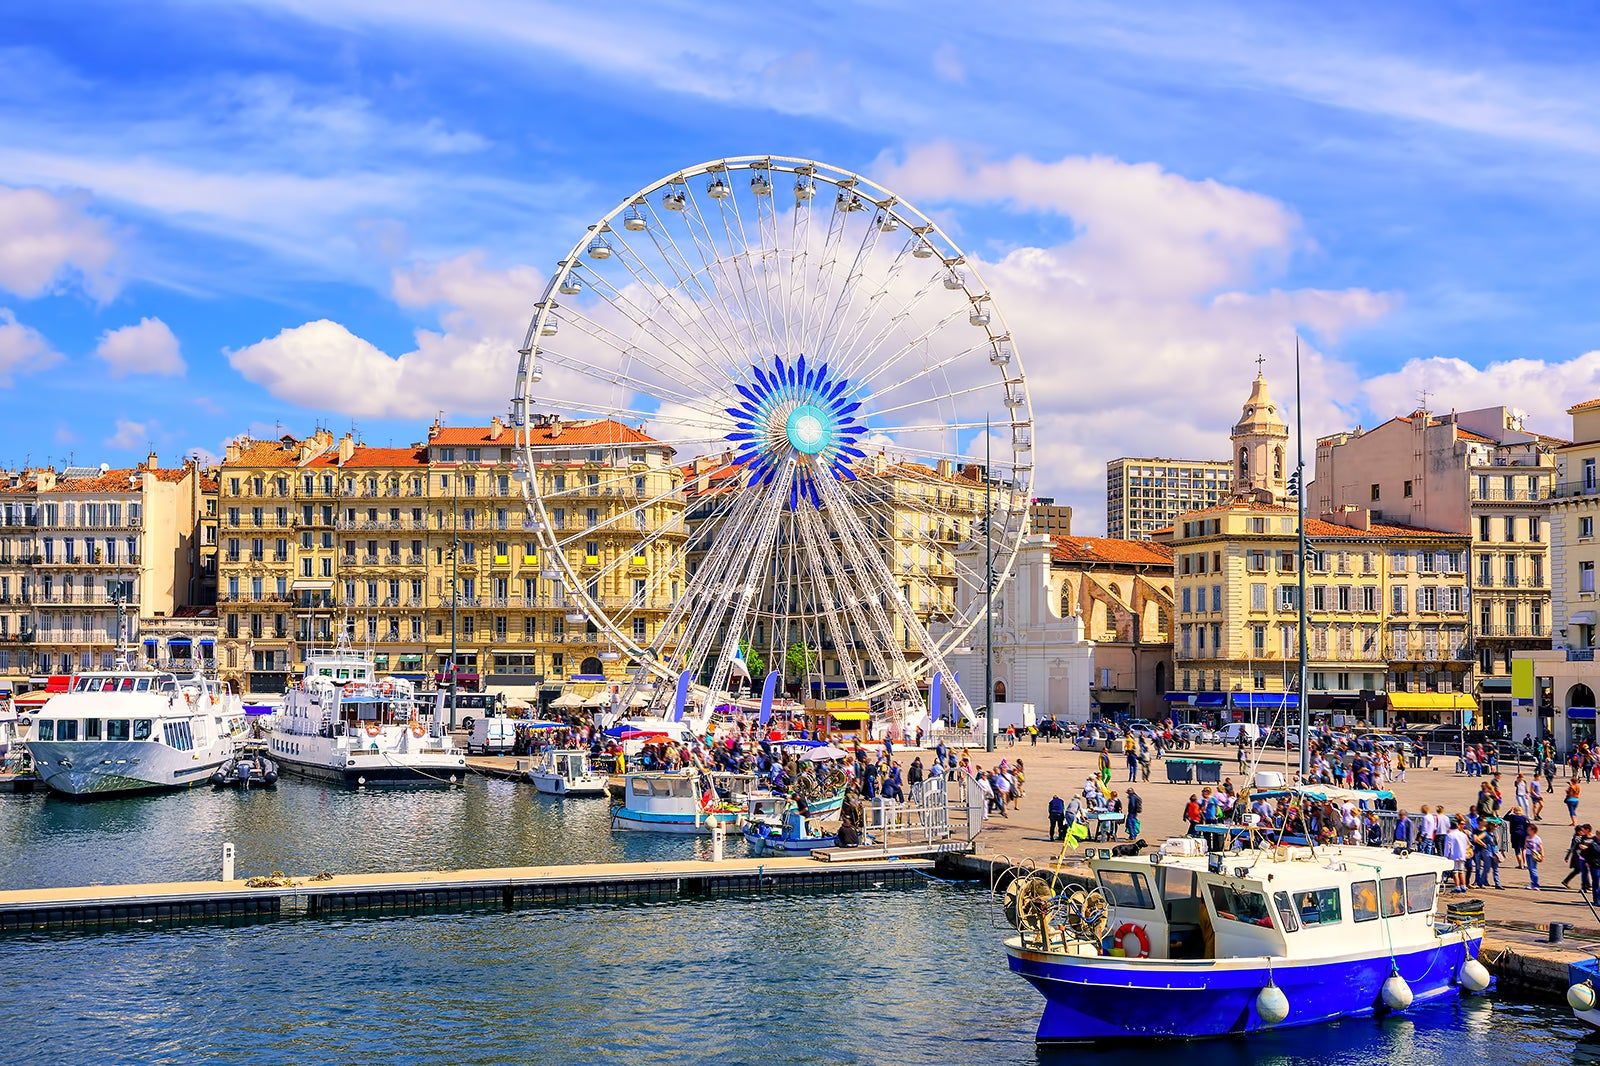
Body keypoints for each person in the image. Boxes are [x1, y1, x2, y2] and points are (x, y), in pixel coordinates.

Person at [1442, 817, 1472, 893]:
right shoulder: (1463, 835)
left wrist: (1446, 856)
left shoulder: (1449, 835)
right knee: (1461, 870)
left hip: (1453, 855)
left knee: (1455, 871)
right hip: (1462, 854)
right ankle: (1463, 886)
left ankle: (1457, 886)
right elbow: (1467, 844)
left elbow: (1447, 846)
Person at [1525, 824, 1544, 889]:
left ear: (1533, 830)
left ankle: (1536, 884)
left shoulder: (1537, 838)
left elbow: (1541, 847)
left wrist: (1542, 855)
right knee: (1530, 869)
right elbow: (1525, 846)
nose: (1527, 831)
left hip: (1534, 855)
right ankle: (1533, 883)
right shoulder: (1527, 837)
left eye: (1529, 830)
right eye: (1527, 829)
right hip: (1528, 854)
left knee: (1533, 869)